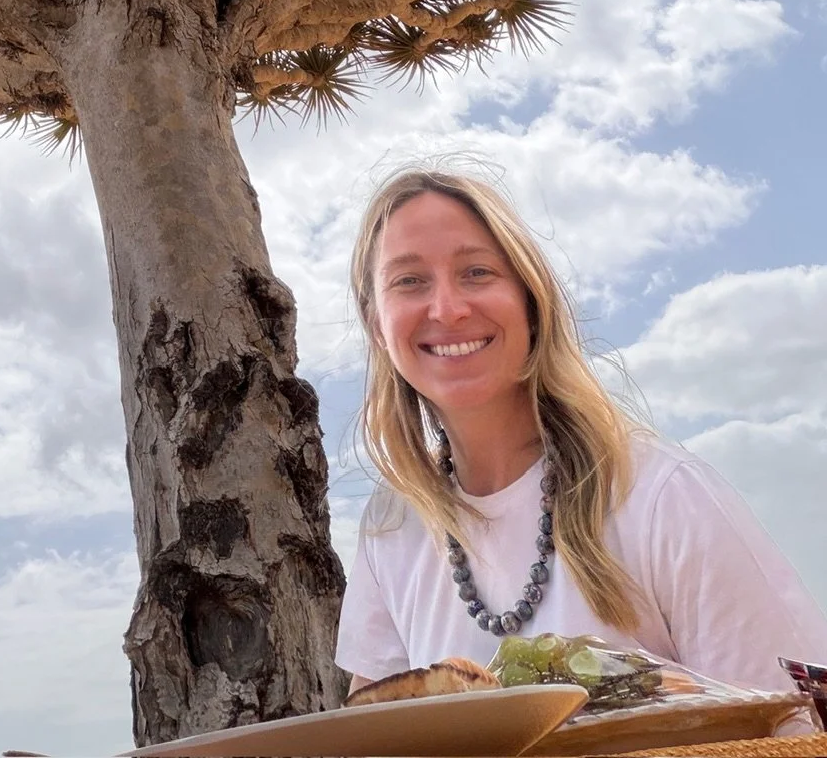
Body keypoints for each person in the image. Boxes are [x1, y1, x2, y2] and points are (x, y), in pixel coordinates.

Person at [338, 166, 827, 699]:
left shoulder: (662, 495)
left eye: (477, 272)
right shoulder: (391, 526)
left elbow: (794, 725)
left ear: (530, 301)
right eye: (409, 281)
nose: (448, 308)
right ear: (376, 325)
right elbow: (371, 734)